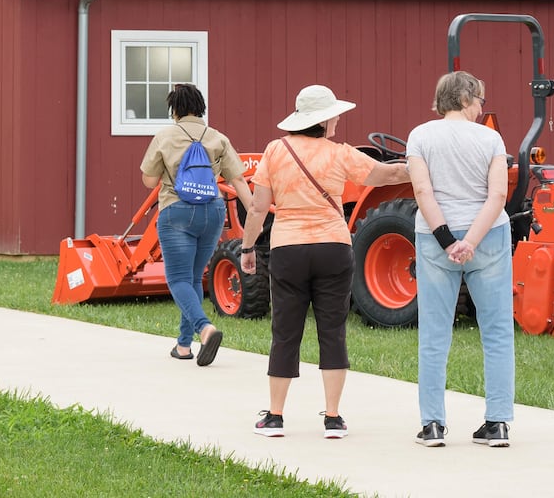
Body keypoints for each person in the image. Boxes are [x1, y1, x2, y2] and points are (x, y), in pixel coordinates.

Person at [239, 84, 409, 439]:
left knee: (285, 332)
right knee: (332, 331)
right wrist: (424, 169)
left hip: (288, 248)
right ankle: (333, 418)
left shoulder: (275, 151)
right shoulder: (341, 154)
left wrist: (247, 247)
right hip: (333, 246)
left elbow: (257, 207)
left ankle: (274, 417)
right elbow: (387, 174)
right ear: (326, 119)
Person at [406, 71, 515, 448]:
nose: (482, 107)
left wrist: (448, 240)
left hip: (436, 238)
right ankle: (497, 422)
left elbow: (422, 190)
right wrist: (470, 240)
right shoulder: (491, 138)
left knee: (435, 335)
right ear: (467, 99)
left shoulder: (420, 136)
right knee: (497, 332)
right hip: (489, 237)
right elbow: (497, 195)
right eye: (480, 100)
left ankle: (432, 424)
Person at [139, 83, 254, 366]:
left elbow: (149, 180)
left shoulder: (165, 137)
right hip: (212, 211)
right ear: (200, 107)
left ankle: (205, 328)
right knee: (190, 278)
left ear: (174, 109)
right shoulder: (217, 138)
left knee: (177, 279)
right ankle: (182, 345)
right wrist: (254, 215)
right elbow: (238, 180)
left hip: (176, 210)